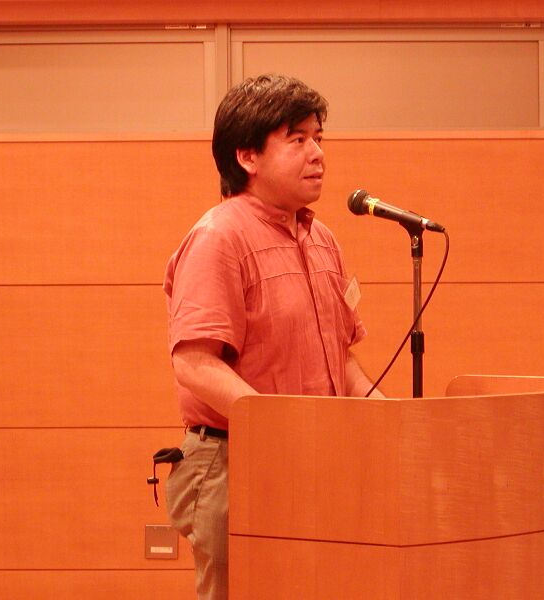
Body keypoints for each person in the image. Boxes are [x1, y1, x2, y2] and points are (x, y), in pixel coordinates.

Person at [162, 73, 383, 600]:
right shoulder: (218, 237)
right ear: (247, 157)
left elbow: (341, 358)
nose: (318, 154)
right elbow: (194, 362)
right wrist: (279, 428)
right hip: (236, 460)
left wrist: (390, 417)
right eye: (297, 139)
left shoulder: (321, 238)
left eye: (319, 138)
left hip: (315, 455)